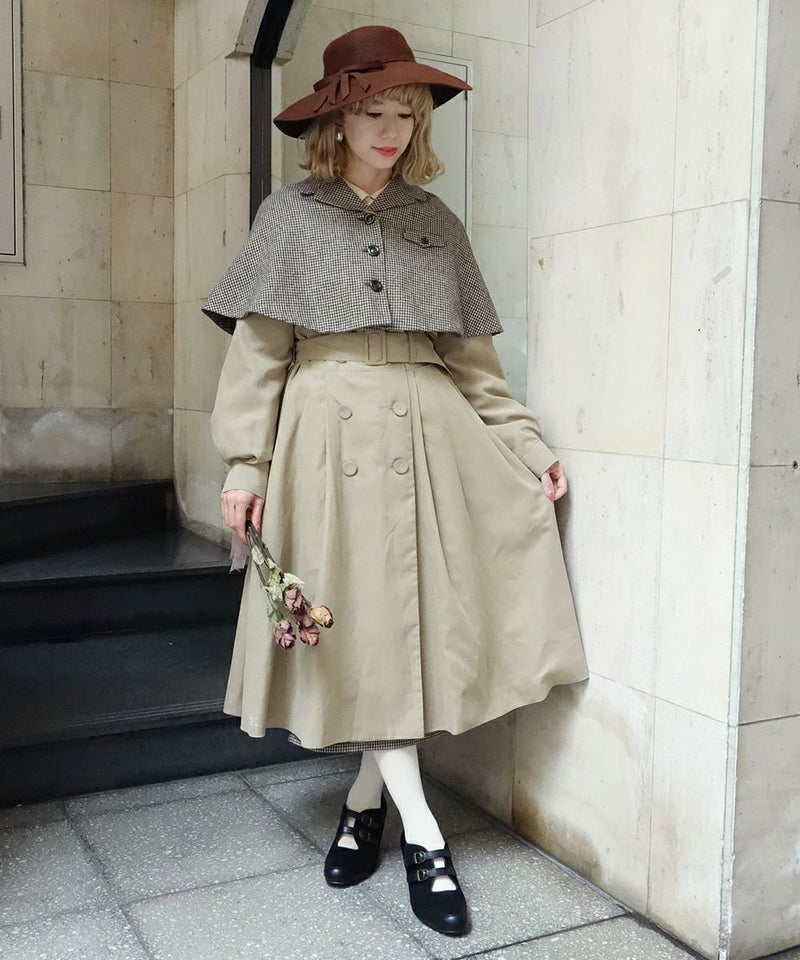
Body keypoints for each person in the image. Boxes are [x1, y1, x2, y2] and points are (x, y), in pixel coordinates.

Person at [203, 24, 588, 938]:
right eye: (374, 111)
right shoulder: (290, 216)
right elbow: (258, 357)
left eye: (406, 115)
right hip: (324, 442)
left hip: (429, 437)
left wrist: (527, 447)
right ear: (336, 120)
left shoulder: (435, 222)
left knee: (399, 635)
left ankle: (363, 804)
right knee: (362, 631)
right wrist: (246, 462)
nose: (390, 129)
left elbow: (474, 365)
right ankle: (425, 834)